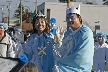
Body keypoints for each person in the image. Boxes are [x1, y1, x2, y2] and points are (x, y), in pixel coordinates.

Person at [53, 4, 94, 72]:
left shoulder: (85, 32)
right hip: (65, 65)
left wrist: (63, 63)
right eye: (67, 18)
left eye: (72, 18)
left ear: (79, 18)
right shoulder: (67, 33)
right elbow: (63, 52)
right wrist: (59, 42)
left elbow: (82, 56)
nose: (69, 20)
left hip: (80, 69)